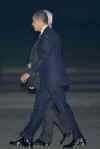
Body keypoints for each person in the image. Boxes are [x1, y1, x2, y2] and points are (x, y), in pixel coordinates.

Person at [9, 10, 87, 148]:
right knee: (39, 110)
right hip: (48, 81)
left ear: (39, 21)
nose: (32, 24)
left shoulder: (48, 35)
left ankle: (78, 137)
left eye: (33, 21)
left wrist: (29, 73)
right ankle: (26, 138)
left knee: (63, 109)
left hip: (53, 81)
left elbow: (43, 59)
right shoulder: (47, 35)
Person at [26, 9, 71, 146]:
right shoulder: (43, 35)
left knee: (46, 108)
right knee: (47, 108)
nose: (33, 24)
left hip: (48, 78)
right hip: (43, 77)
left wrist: (32, 74)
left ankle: (54, 135)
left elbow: (46, 60)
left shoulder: (49, 37)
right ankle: (60, 132)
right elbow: (36, 55)